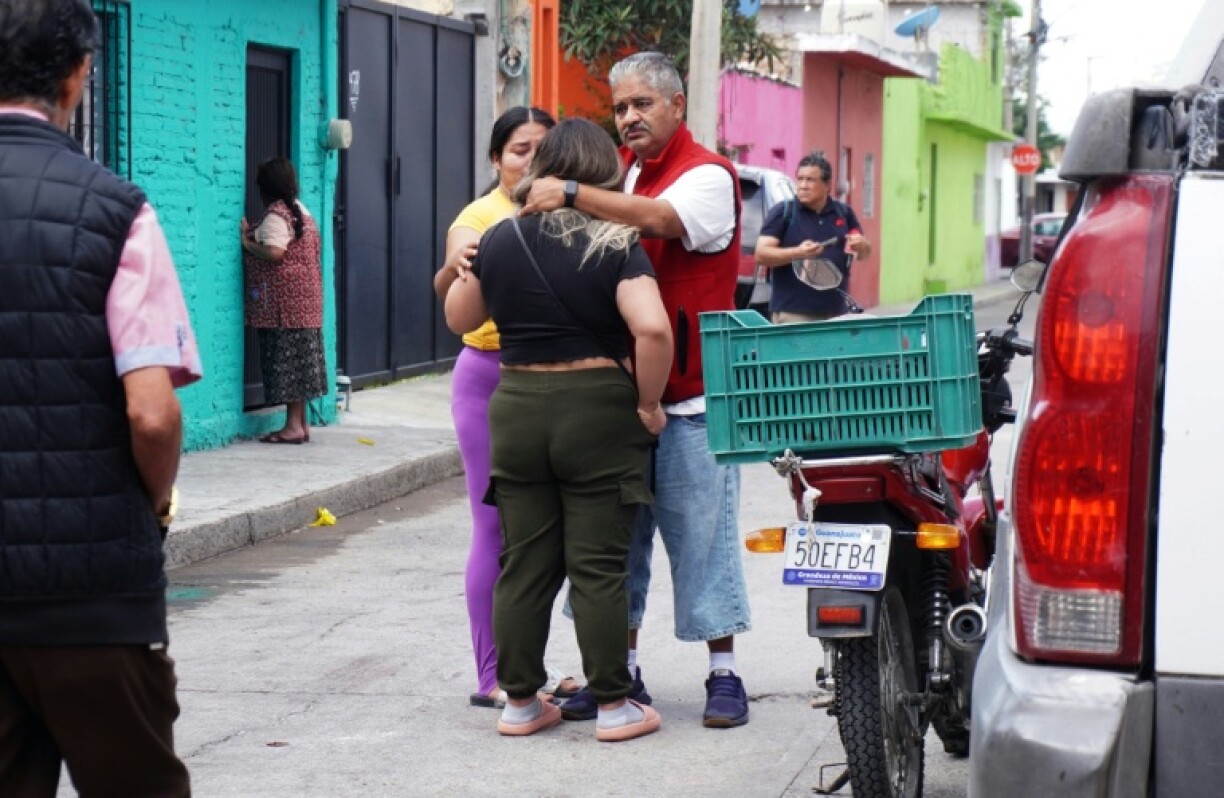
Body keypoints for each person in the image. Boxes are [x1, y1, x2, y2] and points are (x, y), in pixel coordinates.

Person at [0, 0, 202, 794]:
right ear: (80, 74)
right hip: (90, 596)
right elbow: (151, 412)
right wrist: (152, 504)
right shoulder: (117, 211)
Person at [520, 51, 752, 729]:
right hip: (621, 399)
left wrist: (566, 192)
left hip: (693, 400)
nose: (628, 118)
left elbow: (659, 223)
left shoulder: (707, 175)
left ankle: (724, 674)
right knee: (615, 545)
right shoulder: (631, 173)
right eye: (620, 107)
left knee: (701, 541)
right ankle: (619, 676)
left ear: (677, 105)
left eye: (641, 104)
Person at [445, 117, 673, 741]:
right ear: (600, 173)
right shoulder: (614, 242)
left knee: (524, 562)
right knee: (598, 565)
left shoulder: (500, 239)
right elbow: (651, 329)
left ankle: (520, 703)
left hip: (516, 404)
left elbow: (461, 318)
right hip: (595, 409)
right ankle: (611, 707)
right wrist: (649, 403)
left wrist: (470, 265)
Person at [433, 106, 584, 709]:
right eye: (519, 149)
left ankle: (533, 669)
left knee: (552, 533)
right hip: (490, 378)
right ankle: (492, 675)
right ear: (496, 159)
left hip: (557, 379)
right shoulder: (478, 218)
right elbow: (452, 287)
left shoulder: (573, 209)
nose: (531, 158)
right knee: (495, 528)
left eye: (541, 148)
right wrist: (452, 267)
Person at [240, 157, 328, 444]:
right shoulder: (302, 212)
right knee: (301, 366)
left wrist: (248, 244)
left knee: (287, 364)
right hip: (306, 305)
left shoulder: (278, 215)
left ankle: (292, 426)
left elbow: (276, 252)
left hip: (284, 308)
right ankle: (301, 423)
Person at [753, 151, 872, 323]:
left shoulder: (844, 213)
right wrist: (798, 253)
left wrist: (862, 245)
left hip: (837, 313)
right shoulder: (784, 212)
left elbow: (864, 252)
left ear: (827, 185)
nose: (803, 185)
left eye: (810, 180)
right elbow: (761, 254)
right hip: (794, 314)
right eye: (800, 179)